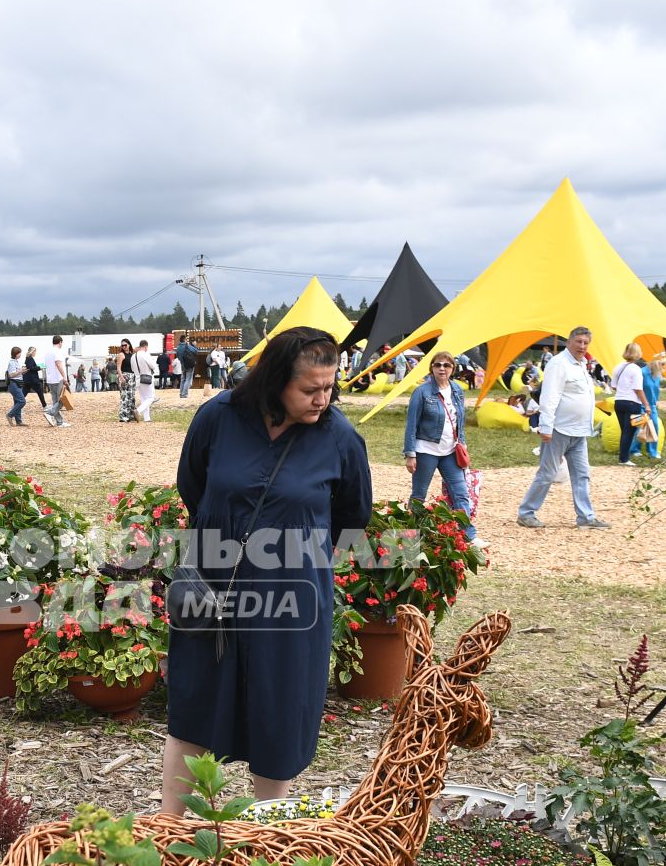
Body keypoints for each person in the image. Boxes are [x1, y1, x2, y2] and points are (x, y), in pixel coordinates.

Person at [162, 326, 372, 812]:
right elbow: (192, 485)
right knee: (196, 707)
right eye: (310, 389)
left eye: (330, 386)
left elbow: (353, 516)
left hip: (291, 597)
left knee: (279, 713)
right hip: (214, 585)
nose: (323, 398)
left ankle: (267, 836)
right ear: (275, 380)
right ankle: (169, 836)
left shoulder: (339, 436)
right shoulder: (219, 417)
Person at [517, 325, 608, 529]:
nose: (582, 346)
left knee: (582, 474)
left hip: (580, 431)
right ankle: (526, 513)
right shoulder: (558, 364)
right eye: (579, 342)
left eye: (586, 343)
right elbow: (550, 397)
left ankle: (586, 517)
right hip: (559, 429)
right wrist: (546, 427)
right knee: (547, 473)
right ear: (569, 342)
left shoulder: (582, 365)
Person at [401, 351, 476, 541]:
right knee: (419, 495)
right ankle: (411, 536)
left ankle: (466, 536)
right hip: (426, 450)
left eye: (446, 365)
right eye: (437, 365)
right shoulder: (422, 392)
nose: (442, 368)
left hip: (451, 451)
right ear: (432, 368)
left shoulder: (457, 390)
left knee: (461, 494)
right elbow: (412, 424)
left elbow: (460, 421)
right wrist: (410, 454)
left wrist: (463, 445)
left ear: (453, 368)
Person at [611, 343, 646, 465]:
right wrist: (646, 404)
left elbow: (613, 386)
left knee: (624, 431)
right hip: (633, 403)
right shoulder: (636, 369)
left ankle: (623, 456)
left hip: (618, 402)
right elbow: (638, 389)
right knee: (630, 431)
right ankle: (624, 458)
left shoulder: (618, 367)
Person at [40, 335, 69, 427]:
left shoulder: (48, 352)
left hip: (50, 379)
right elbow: (58, 364)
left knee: (55, 401)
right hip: (58, 378)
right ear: (60, 342)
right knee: (63, 400)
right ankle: (49, 413)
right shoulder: (58, 351)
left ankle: (59, 422)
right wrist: (65, 377)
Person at [21, 347, 48, 422]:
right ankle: (45, 406)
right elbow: (31, 368)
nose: (35, 353)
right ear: (32, 352)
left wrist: (37, 367)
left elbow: (30, 367)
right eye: (35, 352)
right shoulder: (30, 358)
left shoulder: (28, 358)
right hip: (32, 379)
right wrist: (40, 367)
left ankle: (18, 406)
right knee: (40, 391)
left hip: (28, 379)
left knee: (24, 393)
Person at [134, 338, 157, 422]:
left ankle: (147, 418)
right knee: (151, 397)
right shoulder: (146, 354)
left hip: (137, 378)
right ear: (146, 347)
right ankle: (138, 411)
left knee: (144, 398)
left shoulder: (134, 356)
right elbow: (153, 366)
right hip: (147, 378)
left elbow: (133, 368)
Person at [4, 346, 28, 425]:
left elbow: (17, 373)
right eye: (19, 353)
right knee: (22, 401)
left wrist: (23, 371)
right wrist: (20, 371)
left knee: (17, 402)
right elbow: (11, 375)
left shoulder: (16, 361)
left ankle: (18, 421)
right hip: (14, 384)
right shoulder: (12, 362)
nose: (20, 354)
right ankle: (10, 415)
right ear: (16, 354)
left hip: (17, 384)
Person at [116, 339, 139, 423]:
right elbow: (118, 367)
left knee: (131, 396)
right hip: (124, 375)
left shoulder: (131, 354)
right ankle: (123, 416)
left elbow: (139, 349)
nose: (124, 347)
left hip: (132, 376)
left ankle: (131, 415)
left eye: (125, 345)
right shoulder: (121, 355)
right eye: (122, 345)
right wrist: (121, 377)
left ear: (129, 345)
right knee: (124, 396)